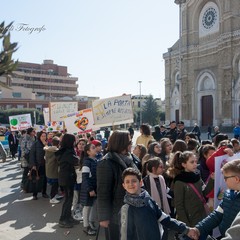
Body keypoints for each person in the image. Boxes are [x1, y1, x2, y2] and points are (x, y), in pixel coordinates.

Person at [119, 167, 198, 240]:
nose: (131, 184)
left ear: (140, 183)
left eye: (134, 181)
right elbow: (125, 236)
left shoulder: (149, 201)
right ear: (124, 186)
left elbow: (165, 219)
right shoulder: (126, 209)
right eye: (127, 182)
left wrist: (186, 229)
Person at [97, 130, 138, 240]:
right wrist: (104, 217)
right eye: (129, 141)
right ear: (121, 143)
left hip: (132, 209)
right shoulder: (106, 162)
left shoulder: (131, 158)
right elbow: (103, 192)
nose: (131, 143)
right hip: (116, 214)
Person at [194, 159, 240, 239]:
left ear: (236, 179)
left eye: (226, 178)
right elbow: (216, 215)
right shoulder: (228, 194)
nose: (224, 180)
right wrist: (198, 229)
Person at [167, 151, 214, 228]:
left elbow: (205, 193)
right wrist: (187, 226)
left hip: (202, 218)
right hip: (190, 222)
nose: (195, 164)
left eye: (196, 161)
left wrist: (212, 180)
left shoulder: (197, 176)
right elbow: (179, 206)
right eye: (192, 162)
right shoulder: (179, 181)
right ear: (184, 164)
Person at [143, 157, 171, 240]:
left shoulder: (161, 178)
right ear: (153, 168)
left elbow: (166, 191)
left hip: (162, 210)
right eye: (161, 167)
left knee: (164, 233)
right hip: (152, 212)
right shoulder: (146, 180)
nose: (163, 169)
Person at [56, 133, 79, 228]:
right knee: (68, 199)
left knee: (69, 199)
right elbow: (76, 161)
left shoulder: (64, 150)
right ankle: (63, 219)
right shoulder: (68, 152)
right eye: (74, 140)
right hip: (67, 178)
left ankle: (68, 217)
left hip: (66, 177)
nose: (75, 142)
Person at [80, 143, 98, 236]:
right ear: (88, 152)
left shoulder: (95, 160)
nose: (95, 149)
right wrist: (90, 189)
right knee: (87, 207)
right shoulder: (87, 162)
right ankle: (86, 226)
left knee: (92, 206)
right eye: (93, 148)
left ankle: (90, 222)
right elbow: (85, 177)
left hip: (93, 188)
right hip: (88, 189)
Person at [29, 131, 49, 200]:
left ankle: (44, 192)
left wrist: (45, 146)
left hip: (45, 164)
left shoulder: (47, 144)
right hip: (37, 165)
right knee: (36, 179)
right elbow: (32, 155)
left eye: (45, 136)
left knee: (44, 179)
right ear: (39, 137)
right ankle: (35, 194)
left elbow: (49, 153)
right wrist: (33, 164)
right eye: (42, 136)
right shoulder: (35, 144)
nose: (44, 137)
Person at [44, 136, 61, 204]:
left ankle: (54, 195)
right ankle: (52, 198)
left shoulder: (48, 149)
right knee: (55, 184)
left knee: (54, 184)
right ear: (58, 143)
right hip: (54, 169)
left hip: (49, 168)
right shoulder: (56, 151)